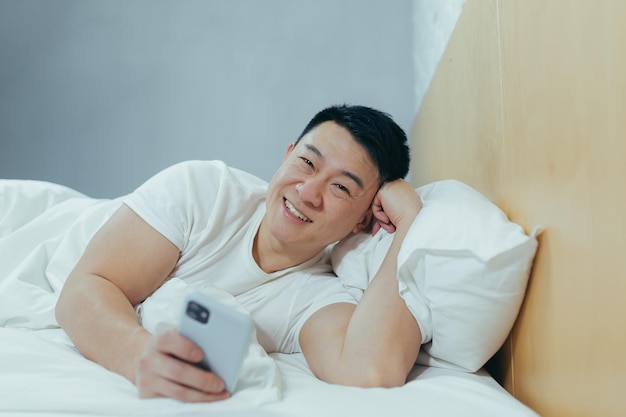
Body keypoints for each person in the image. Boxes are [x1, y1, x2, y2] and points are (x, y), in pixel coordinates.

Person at [55, 104, 423, 403]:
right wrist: (136, 354)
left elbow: (371, 371)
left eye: (340, 187)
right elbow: (86, 286)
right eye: (307, 163)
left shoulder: (317, 297)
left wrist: (408, 223)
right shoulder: (205, 192)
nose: (308, 192)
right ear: (287, 156)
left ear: (363, 220)